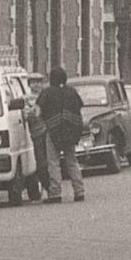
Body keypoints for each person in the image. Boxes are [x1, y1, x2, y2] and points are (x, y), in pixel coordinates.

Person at [36, 66, 87, 203]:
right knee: (72, 161)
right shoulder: (72, 92)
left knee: (53, 163)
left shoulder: (46, 93)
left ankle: (55, 193)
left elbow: (38, 113)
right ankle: (79, 192)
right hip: (70, 132)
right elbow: (79, 108)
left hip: (53, 132)